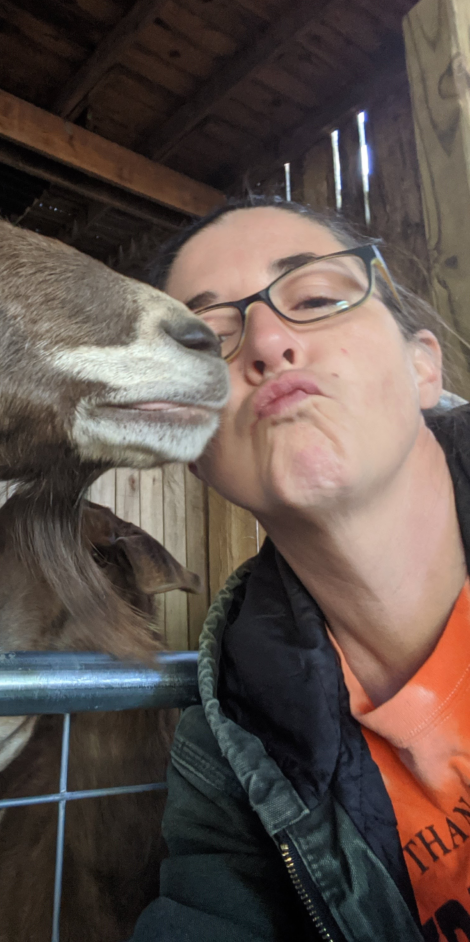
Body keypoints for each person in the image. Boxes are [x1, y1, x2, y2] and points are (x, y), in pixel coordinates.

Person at [128, 198, 470, 942]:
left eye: (314, 297)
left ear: (423, 367)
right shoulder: (226, 750)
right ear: (193, 445)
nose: (267, 341)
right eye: (207, 338)